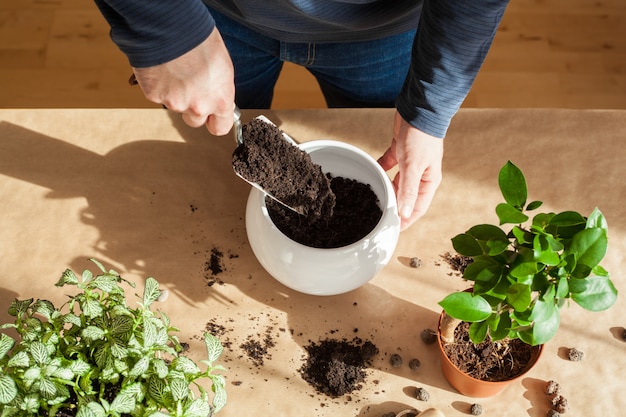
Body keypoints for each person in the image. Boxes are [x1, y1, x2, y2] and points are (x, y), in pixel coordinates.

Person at [93, 0, 510, 230]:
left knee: (382, 154)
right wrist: (170, 30)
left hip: (384, 31)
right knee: (215, 146)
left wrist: (428, 108)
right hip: (219, 17)